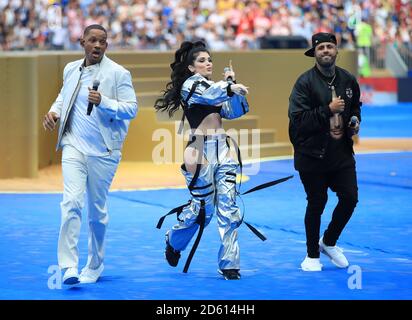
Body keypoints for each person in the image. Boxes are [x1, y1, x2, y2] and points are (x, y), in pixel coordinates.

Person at [42, 24, 138, 285]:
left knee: (97, 212)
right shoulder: (71, 68)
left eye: (103, 42)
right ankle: (69, 267)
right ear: (81, 41)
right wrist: (53, 113)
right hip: (73, 146)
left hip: (104, 152)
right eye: (93, 40)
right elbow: (64, 97)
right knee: (71, 203)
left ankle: (94, 265)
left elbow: (132, 109)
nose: (97, 45)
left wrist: (103, 102)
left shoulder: (118, 73)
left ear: (106, 46)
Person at [154, 41, 250, 280]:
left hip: (223, 148)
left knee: (229, 207)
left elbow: (235, 111)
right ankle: (174, 240)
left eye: (209, 60)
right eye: (202, 61)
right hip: (198, 149)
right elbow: (209, 93)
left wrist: (231, 86)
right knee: (202, 212)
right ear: (190, 67)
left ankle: (230, 264)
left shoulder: (217, 87)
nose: (208, 63)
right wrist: (228, 87)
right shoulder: (191, 85)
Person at [288, 33, 361, 272]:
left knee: (350, 198)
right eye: (321, 48)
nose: (326, 51)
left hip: (341, 153)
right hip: (311, 155)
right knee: (317, 203)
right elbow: (297, 121)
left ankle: (328, 242)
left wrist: (354, 120)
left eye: (330, 46)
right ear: (314, 53)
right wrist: (327, 110)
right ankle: (311, 255)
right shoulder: (304, 82)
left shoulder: (348, 80)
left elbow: (356, 107)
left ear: (336, 51)